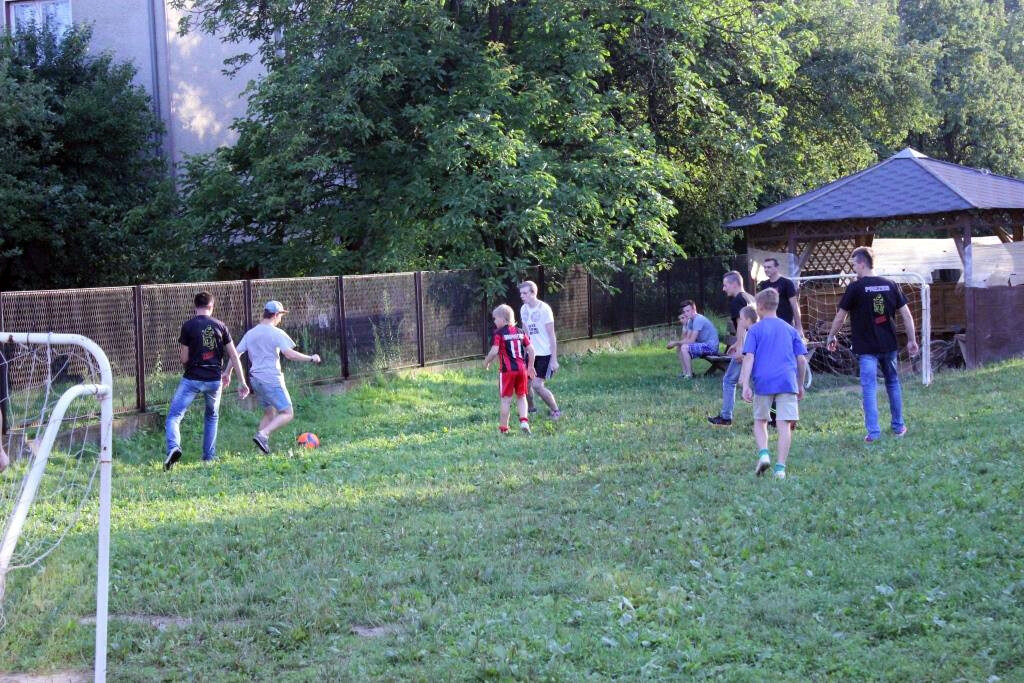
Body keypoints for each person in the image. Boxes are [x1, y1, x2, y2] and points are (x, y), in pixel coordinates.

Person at [825, 246, 919, 442]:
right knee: (892, 383)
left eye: (854, 264)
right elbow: (907, 315)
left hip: (867, 348)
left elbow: (840, 317)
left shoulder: (855, 288)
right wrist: (912, 339)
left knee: (869, 387)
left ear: (862, 264)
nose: (853, 269)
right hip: (889, 346)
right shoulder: (890, 284)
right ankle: (899, 426)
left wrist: (831, 336)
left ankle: (874, 433)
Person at [165, 291, 249, 470]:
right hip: (214, 380)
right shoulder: (221, 326)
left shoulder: (188, 326)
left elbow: (184, 358)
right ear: (211, 307)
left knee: (174, 416)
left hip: (192, 378)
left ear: (195, 306)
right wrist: (242, 381)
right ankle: (209, 457)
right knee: (212, 416)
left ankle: (174, 448)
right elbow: (234, 355)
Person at [232, 300, 321, 454]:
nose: (281, 318)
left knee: (269, 413)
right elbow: (289, 354)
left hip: (255, 380)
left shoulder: (251, 333)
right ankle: (263, 434)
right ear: (275, 315)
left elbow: (236, 353)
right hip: (271, 379)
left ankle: (260, 451)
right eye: (281, 315)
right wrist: (311, 358)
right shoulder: (276, 333)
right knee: (287, 413)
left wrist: (227, 372)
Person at [740, 288, 808, 479]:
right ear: (776, 305)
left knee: (760, 421)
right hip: (787, 381)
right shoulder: (790, 329)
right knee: (784, 424)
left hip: (763, 382)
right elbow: (802, 360)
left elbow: (749, 357)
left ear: (760, 307)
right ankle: (780, 468)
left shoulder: (754, 330)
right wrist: (800, 384)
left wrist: (745, 384)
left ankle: (764, 454)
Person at [708, 271, 755, 426]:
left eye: (725, 285)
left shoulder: (737, 301)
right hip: (755, 344)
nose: (723, 288)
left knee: (729, 380)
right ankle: (773, 416)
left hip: (747, 347)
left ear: (734, 284)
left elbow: (742, 324)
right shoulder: (749, 297)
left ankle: (726, 417)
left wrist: (741, 347)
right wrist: (736, 343)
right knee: (760, 381)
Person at [483, 304, 537, 434]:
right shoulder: (520, 332)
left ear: (502, 319)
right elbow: (531, 350)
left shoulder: (499, 334)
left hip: (507, 372)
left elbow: (494, 351)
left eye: (495, 319)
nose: (494, 322)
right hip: (522, 370)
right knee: (522, 396)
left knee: (506, 400)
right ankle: (524, 421)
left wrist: (486, 362)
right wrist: (530, 366)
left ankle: (504, 429)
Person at [518, 280, 561, 420]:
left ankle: (556, 410)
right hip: (531, 354)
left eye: (525, 293)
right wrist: (524, 352)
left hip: (545, 354)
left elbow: (551, 335)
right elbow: (525, 333)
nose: (522, 296)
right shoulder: (523, 309)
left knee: (537, 385)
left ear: (533, 293)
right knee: (525, 384)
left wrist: (554, 359)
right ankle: (531, 410)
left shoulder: (544, 309)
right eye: (521, 293)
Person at [666, 300, 720, 378]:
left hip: (711, 347)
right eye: (684, 311)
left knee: (684, 347)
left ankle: (689, 375)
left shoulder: (698, 319)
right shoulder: (691, 321)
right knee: (680, 347)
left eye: (688, 311)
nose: (686, 313)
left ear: (694, 309)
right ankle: (685, 373)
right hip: (704, 345)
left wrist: (675, 343)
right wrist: (677, 343)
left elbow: (691, 341)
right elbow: (687, 339)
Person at [758, 257, 804, 339]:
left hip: (786, 324)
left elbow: (794, 305)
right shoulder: (763, 285)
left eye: (769, 267)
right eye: (765, 267)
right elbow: (761, 306)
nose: (766, 269)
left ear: (777, 268)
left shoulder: (786, 283)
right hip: (769, 326)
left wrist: (799, 326)